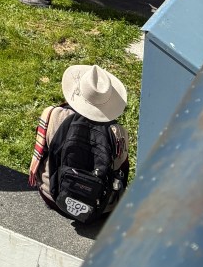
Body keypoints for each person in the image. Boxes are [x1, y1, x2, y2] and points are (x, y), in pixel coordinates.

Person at [28, 65, 130, 223]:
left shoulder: (53, 114)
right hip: (99, 209)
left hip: (52, 197)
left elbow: (41, 155)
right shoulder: (118, 132)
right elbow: (121, 171)